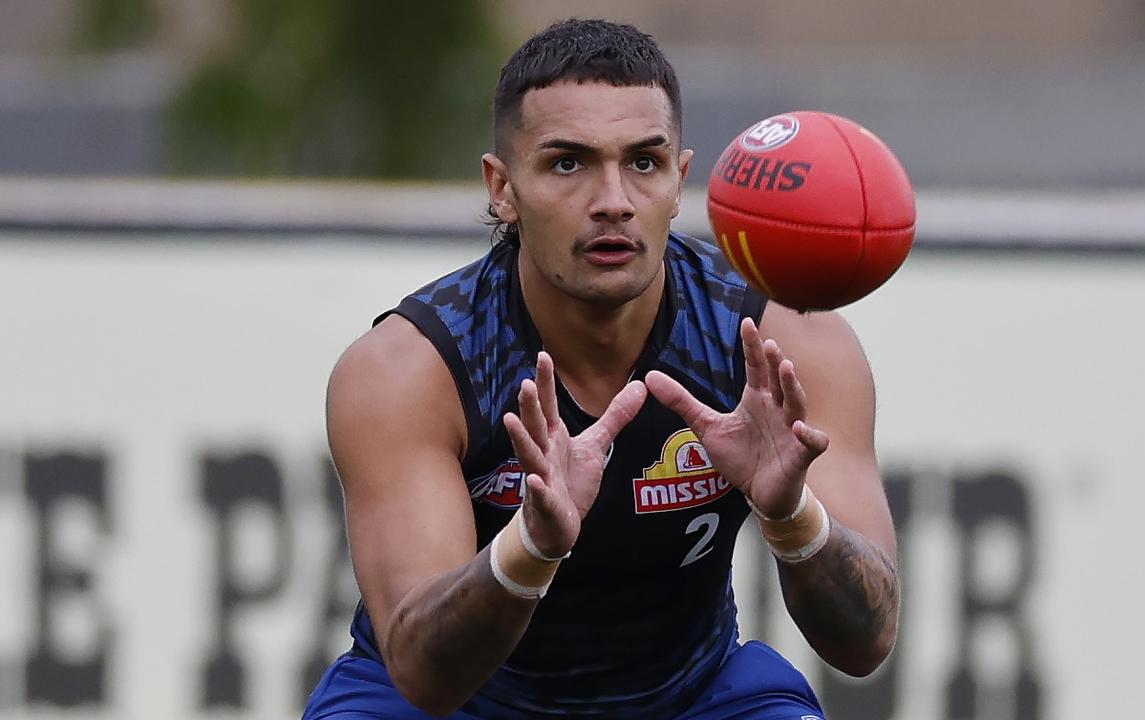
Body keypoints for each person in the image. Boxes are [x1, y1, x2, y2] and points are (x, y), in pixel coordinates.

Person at [303, 18, 899, 720]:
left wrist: (792, 516)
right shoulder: (413, 369)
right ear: (502, 189)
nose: (613, 200)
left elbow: (868, 643)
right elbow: (424, 677)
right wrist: (531, 548)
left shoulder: (781, 348)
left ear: (679, 182)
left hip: (686, 697)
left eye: (643, 162)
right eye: (568, 163)